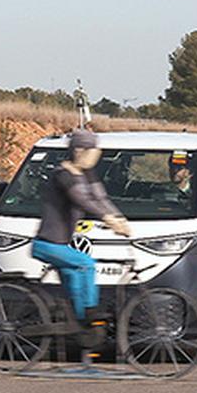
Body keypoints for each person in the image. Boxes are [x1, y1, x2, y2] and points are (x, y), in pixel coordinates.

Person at [31, 129, 131, 324]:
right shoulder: (63, 175)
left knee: (75, 281)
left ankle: (80, 329)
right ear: (79, 150)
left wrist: (119, 218)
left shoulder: (86, 173)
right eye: (92, 151)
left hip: (62, 245)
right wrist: (108, 219)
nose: (95, 156)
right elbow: (82, 199)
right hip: (48, 244)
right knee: (86, 264)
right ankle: (90, 317)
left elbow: (100, 198)